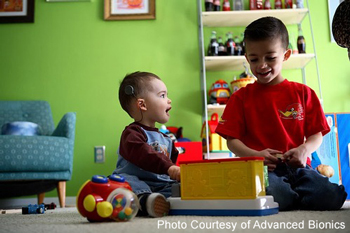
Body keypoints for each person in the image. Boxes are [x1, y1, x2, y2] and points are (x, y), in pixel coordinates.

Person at [215, 17, 347, 211]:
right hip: (263, 170)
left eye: (270, 57)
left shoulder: (303, 93)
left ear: (286, 55)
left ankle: (296, 194)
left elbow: (316, 135)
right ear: (246, 58)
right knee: (278, 196)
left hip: (300, 168)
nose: (261, 65)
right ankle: (293, 196)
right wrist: (255, 155)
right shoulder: (240, 98)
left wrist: (304, 149)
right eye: (254, 59)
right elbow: (232, 140)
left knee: (333, 197)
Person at [113, 71, 180, 218]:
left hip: (161, 186)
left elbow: (172, 163)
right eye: (162, 95)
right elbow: (143, 153)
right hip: (138, 182)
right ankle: (143, 201)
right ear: (142, 105)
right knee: (124, 181)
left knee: (178, 188)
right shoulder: (131, 134)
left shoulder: (166, 139)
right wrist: (169, 167)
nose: (168, 100)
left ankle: (157, 202)